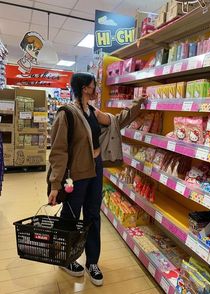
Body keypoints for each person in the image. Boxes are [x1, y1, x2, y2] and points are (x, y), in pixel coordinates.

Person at [48, 72, 145, 286]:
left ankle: (92, 262)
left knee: (92, 215)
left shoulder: (93, 111)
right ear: (85, 88)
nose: (96, 89)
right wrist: (55, 185)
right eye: (94, 85)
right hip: (76, 174)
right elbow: (58, 151)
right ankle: (66, 257)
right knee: (71, 215)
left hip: (95, 170)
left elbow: (116, 122)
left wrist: (139, 104)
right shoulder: (67, 114)